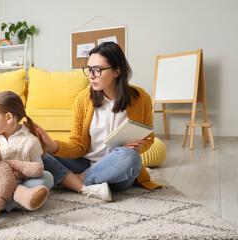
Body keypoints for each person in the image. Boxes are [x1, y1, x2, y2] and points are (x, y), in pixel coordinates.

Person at [28, 42, 162, 202]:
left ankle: (76, 181)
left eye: (97, 70)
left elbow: (149, 137)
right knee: (36, 150)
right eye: (89, 69)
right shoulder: (83, 99)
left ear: (117, 71)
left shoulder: (141, 99)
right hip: (84, 162)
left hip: (117, 170)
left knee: (131, 158)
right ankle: (85, 184)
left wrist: (140, 145)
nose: (91, 75)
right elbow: (77, 146)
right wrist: (53, 146)